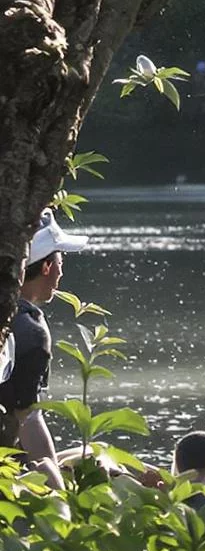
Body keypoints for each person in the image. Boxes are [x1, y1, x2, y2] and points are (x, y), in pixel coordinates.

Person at [2, 207, 86, 484]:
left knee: (90, 454)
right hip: (7, 467)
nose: (62, 271)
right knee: (90, 459)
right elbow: (28, 420)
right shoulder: (30, 331)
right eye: (60, 260)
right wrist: (57, 489)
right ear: (46, 266)